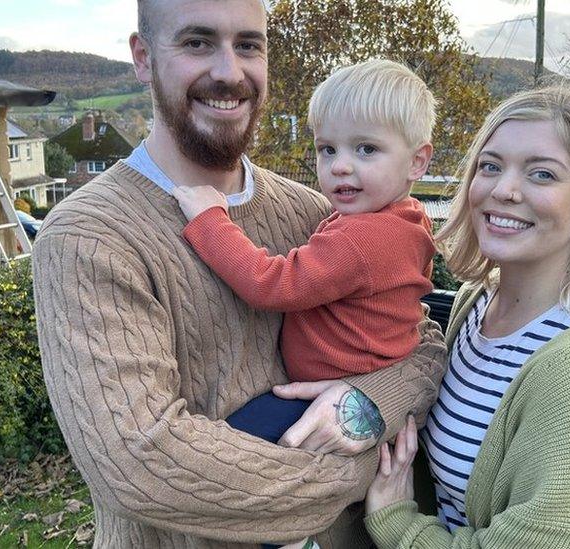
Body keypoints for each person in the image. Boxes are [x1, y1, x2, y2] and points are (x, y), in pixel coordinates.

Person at [30, 0, 447, 547]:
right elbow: (142, 464)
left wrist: (366, 408)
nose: (229, 72)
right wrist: (365, 470)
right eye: (197, 42)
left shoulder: (318, 211)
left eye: (248, 45)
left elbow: (422, 342)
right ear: (143, 57)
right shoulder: (90, 236)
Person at [363, 84, 570, 548]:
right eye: (491, 166)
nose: (503, 190)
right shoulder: (476, 304)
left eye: (542, 174)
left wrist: (397, 523)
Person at [172, 59, 437, 549]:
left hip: (324, 394)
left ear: (417, 162)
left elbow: (273, 284)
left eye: (366, 149)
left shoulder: (364, 237)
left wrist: (211, 220)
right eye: (326, 148)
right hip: (358, 383)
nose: (340, 165)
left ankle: (291, 540)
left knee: (237, 451)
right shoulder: (406, 220)